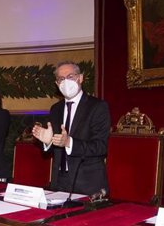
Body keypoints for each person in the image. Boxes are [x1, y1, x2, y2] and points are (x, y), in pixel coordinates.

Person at [32, 60, 110, 195]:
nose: (65, 82)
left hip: (88, 182)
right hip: (59, 182)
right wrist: (47, 142)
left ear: (80, 78)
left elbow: (100, 146)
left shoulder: (97, 107)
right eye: (61, 79)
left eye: (70, 77)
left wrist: (69, 142)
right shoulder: (56, 109)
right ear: (57, 84)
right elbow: (54, 148)